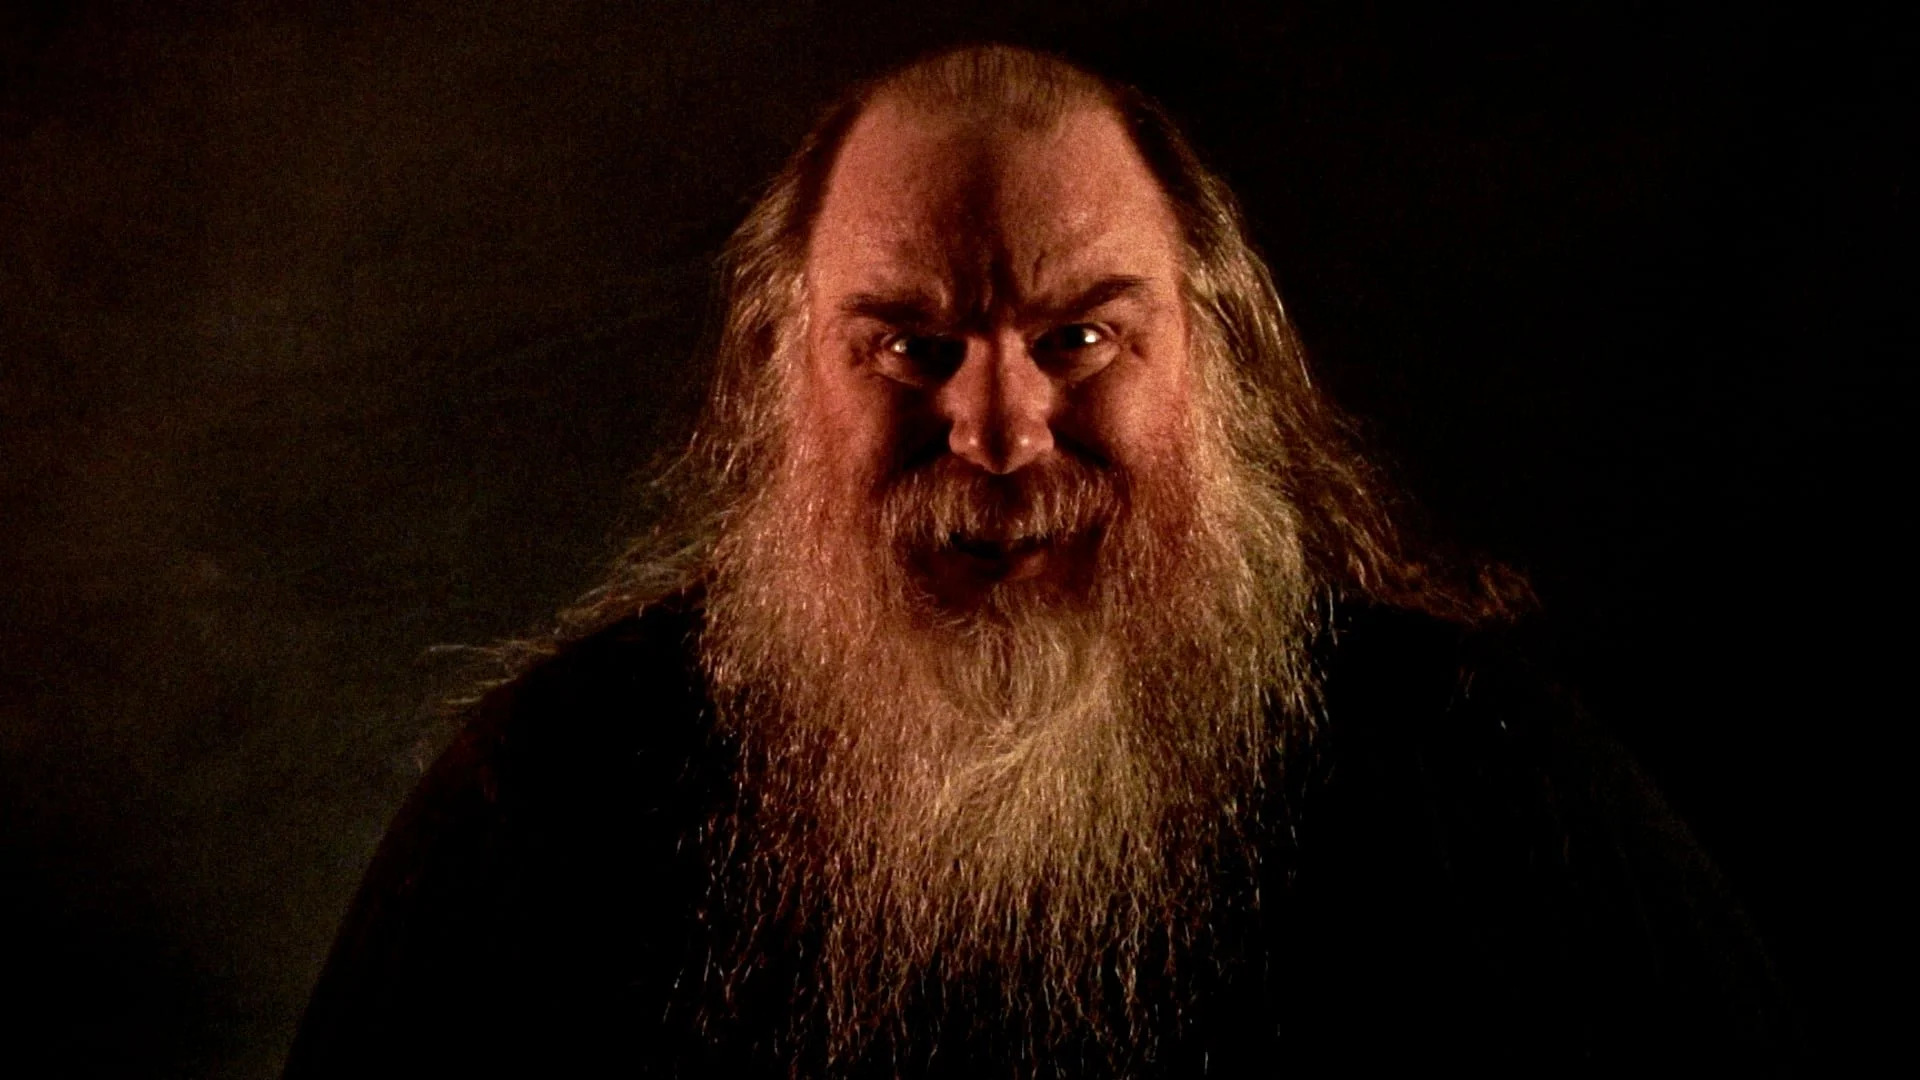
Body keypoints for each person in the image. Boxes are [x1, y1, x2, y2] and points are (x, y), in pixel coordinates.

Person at [286, 45, 1796, 1077]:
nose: (1000, 431)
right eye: (910, 345)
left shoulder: (1484, 767)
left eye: (1078, 338)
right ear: (778, 373)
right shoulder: (544, 798)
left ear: (1214, 355)